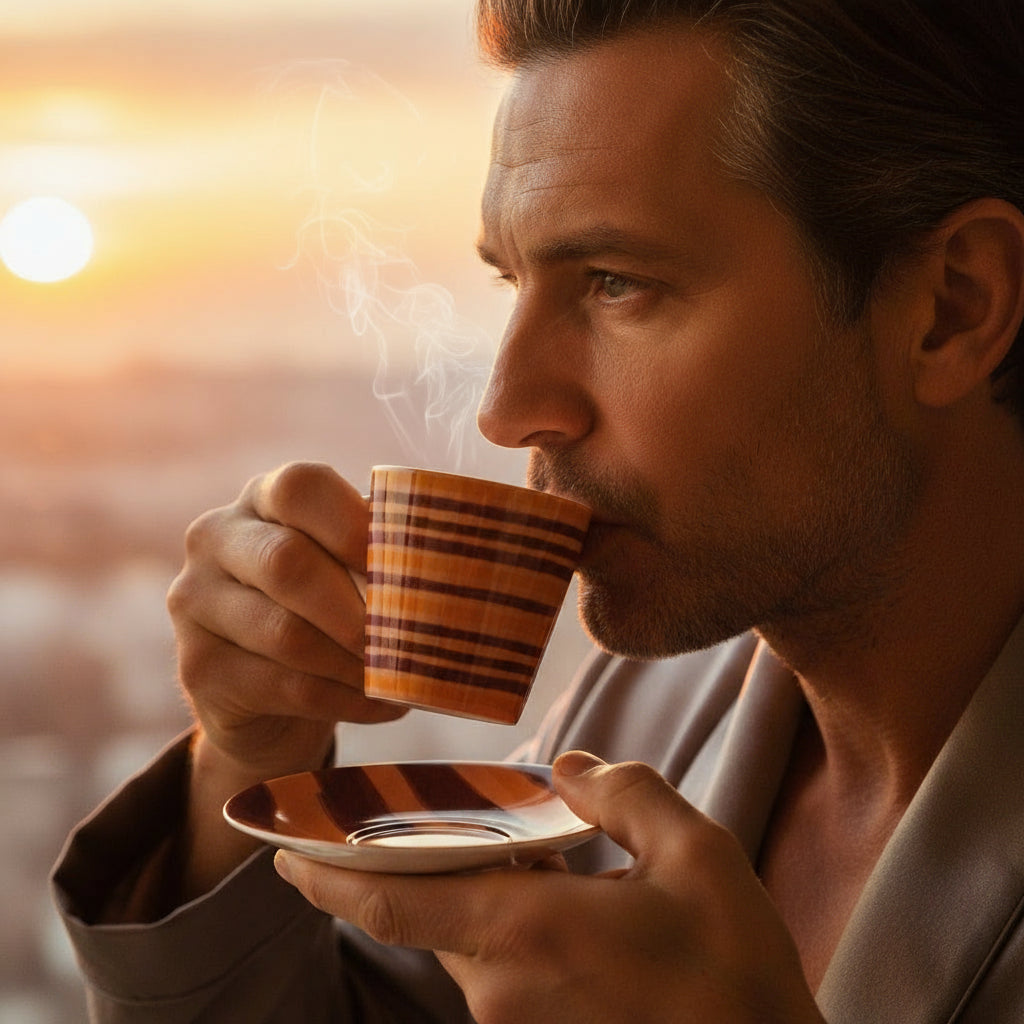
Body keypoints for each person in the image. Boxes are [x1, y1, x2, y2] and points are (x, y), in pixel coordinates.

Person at [52, 0, 1024, 1020]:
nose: (509, 410)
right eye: (513, 281)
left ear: (951, 306)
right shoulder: (644, 711)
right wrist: (250, 760)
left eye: (617, 284)